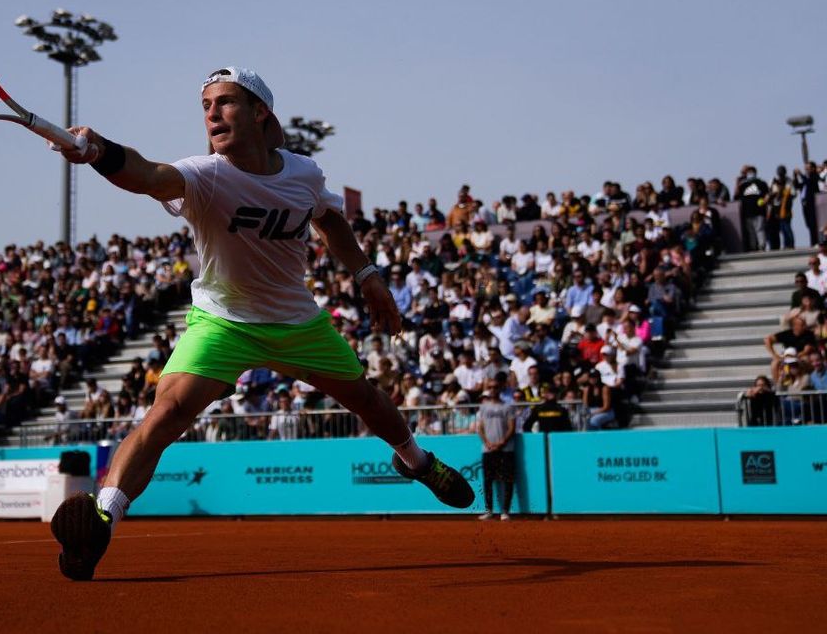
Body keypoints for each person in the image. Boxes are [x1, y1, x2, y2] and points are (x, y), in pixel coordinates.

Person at [48, 66, 474, 580]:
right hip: (223, 321)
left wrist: (367, 276)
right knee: (167, 411)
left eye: (225, 102)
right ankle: (102, 519)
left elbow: (329, 219)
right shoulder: (204, 175)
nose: (212, 113)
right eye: (206, 105)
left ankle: (416, 462)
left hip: (296, 320)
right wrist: (99, 151)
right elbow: (145, 175)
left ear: (259, 112)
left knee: (365, 398)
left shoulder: (304, 173)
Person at [476, 375, 516, 521]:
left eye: (495, 387)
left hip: (506, 449)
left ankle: (505, 511)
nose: (493, 390)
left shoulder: (508, 406)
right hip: (488, 449)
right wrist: (487, 442)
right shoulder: (483, 407)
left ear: (500, 389)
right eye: (490, 387)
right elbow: (480, 428)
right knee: (488, 480)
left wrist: (502, 442)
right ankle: (489, 511)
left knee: (508, 479)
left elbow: (512, 427)